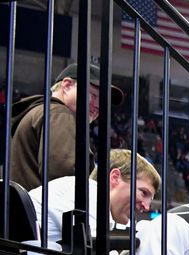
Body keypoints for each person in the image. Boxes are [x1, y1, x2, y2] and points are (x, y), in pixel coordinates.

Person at [26, 148, 159, 255]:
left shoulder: (89, 199)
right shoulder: (87, 192)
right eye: (144, 192)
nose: (146, 207)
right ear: (115, 177)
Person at [8, 62, 122, 191]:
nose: (98, 105)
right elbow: (64, 179)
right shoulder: (59, 114)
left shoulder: (41, 112)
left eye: (102, 101)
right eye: (93, 95)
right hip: (41, 209)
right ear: (67, 86)